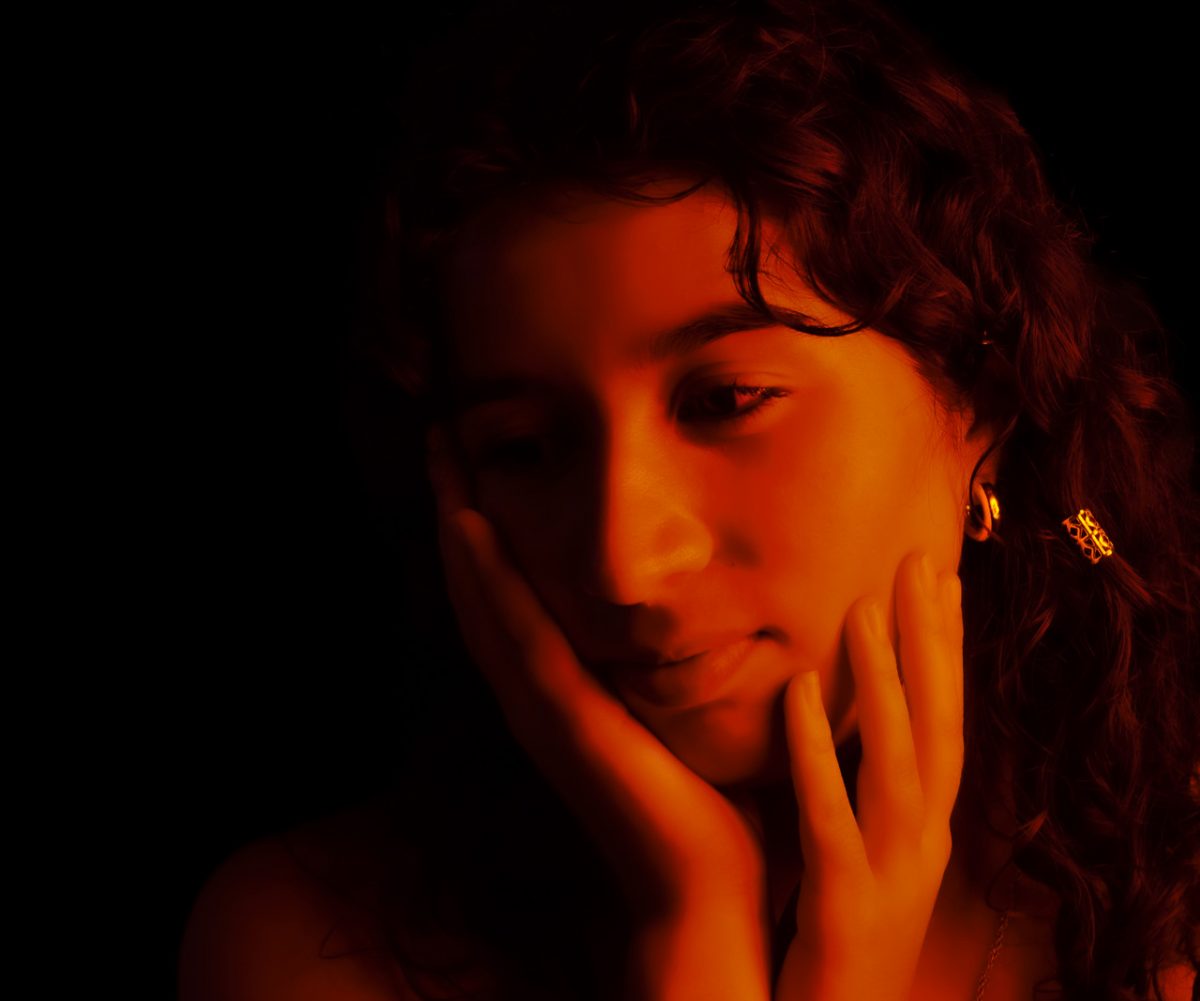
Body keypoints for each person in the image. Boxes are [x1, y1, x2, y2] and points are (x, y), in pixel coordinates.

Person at [179, 1, 1199, 999]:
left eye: (728, 401)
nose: (623, 559)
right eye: (526, 448)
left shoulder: (1174, 899)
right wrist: (698, 924)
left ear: (980, 404)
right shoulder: (315, 941)